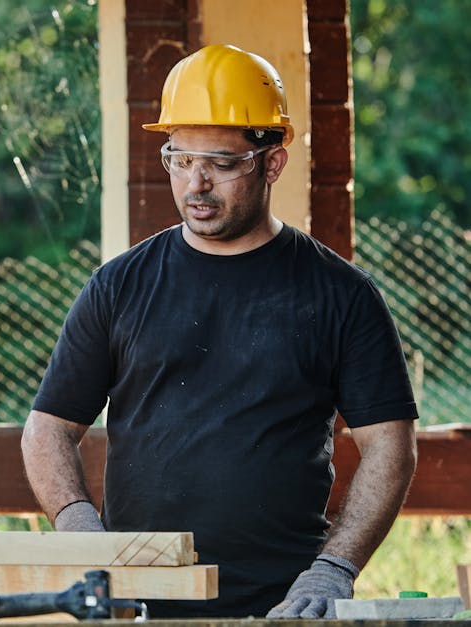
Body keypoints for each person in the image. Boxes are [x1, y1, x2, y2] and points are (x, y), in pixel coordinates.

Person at [21, 44, 417, 619]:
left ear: (271, 163)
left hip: (279, 607)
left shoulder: (341, 295)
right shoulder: (118, 285)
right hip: (136, 605)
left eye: (221, 163)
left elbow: (389, 446)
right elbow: (47, 429)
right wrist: (82, 530)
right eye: (180, 159)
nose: (196, 184)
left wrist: (334, 569)